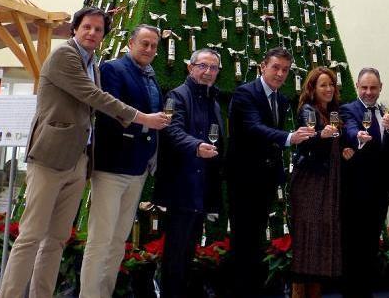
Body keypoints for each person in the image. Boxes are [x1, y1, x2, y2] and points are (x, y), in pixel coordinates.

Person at [0, 7, 170, 298]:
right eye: (87, 27)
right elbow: (94, 97)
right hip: (50, 157)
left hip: (79, 159)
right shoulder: (65, 55)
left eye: (98, 29)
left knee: (56, 239)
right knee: (31, 236)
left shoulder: (93, 64)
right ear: (75, 29)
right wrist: (143, 118)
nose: (92, 33)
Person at [80, 24, 165, 298]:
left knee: (118, 240)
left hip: (138, 167)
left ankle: (104, 293)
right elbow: (109, 114)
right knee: (100, 239)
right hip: (112, 165)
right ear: (131, 43)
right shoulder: (113, 69)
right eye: (144, 43)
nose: (149, 49)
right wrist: (145, 125)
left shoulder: (152, 78)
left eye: (154, 45)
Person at [227, 47, 316, 297]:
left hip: (265, 180)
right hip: (243, 179)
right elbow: (254, 128)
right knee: (243, 239)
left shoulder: (280, 98)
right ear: (262, 66)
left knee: (256, 239)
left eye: (285, 70)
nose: (280, 74)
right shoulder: (245, 93)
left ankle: (253, 289)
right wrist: (290, 137)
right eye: (275, 67)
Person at [153, 47, 225, 298]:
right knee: (175, 251)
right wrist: (196, 146)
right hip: (181, 187)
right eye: (202, 66)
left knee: (189, 251)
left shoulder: (214, 102)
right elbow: (171, 130)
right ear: (190, 67)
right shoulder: (176, 96)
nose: (207, 72)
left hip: (202, 189)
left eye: (213, 68)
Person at [339, 67, 389, 298]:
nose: (369, 92)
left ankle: (365, 292)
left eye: (373, 88)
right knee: (353, 245)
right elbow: (352, 129)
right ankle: (351, 293)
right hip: (355, 190)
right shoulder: (348, 109)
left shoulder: (385, 112)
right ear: (357, 87)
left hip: (380, 190)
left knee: (372, 243)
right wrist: (357, 137)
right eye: (364, 87)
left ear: (380, 87)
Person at [288, 67, 344, 298]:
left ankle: (314, 292)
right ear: (312, 88)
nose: (329, 89)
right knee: (307, 238)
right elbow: (309, 137)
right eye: (323, 85)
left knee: (319, 239)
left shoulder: (332, 112)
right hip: (310, 181)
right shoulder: (308, 110)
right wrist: (322, 135)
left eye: (331, 85)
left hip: (327, 182)